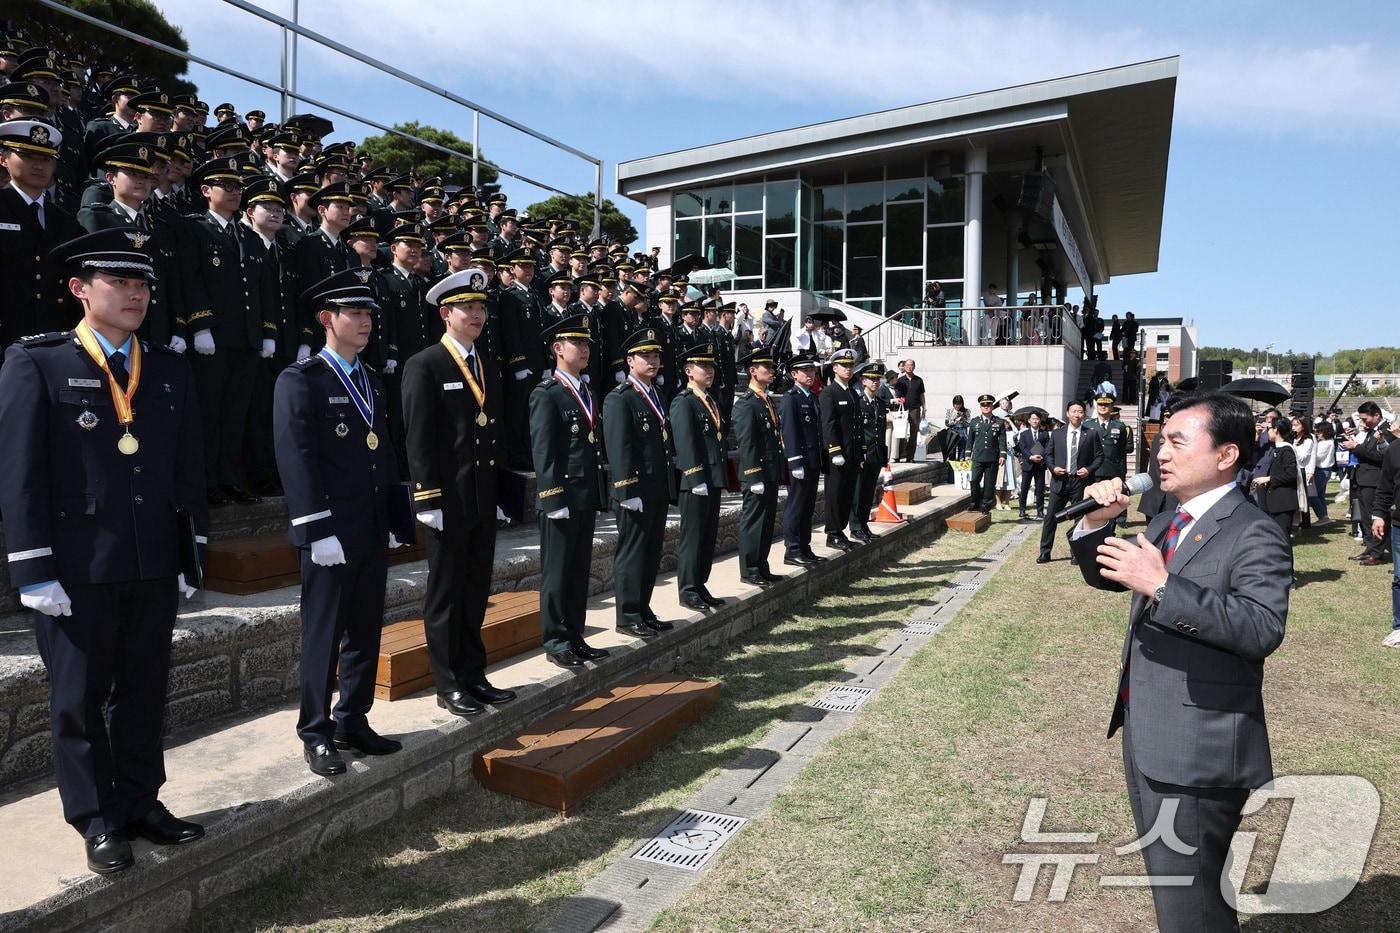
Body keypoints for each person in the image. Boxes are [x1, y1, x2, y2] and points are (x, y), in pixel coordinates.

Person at [0, 228, 208, 875]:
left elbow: (187, 467)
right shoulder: (37, 362)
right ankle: (96, 819)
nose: (134, 294)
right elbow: (20, 473)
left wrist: (190, 553)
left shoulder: (168, 367)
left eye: (141, 283)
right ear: (79, 289)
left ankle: (142, 801)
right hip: (75, 566)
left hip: (151, 559)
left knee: (145, 689)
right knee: (79, 698)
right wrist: (32, 568)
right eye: (118, 282)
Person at [1071, 392, 1290, 933]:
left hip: (1198, 748)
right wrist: (1096, 522)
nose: (1161, 454)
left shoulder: (1253, 530)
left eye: (1176, 442)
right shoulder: (1168, 520)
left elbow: (1261, 627)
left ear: (1226, 455)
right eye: (1160, 442)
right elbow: (1106, 572)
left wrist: (1163, 586)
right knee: (1180, 893)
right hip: (1152, 731)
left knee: (1191, 903)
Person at [273, 268, 409, 777]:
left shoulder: (370, 378)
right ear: (326, 319)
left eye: (369, 312)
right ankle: (316, 731)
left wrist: (393, 515)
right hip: (329, 530)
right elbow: (297, 457)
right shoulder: (301, 379)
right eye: (354, 312)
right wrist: (315, 529)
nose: (365, 321)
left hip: (369, 525)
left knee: (365, 630)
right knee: (323, 633)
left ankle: (353, 719)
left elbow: (384, 451)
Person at [400, 268, 515, 717]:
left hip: (481, 497)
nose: (477, 315)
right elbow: (419, 437)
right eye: (468, 307)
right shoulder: (425, 363)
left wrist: (499, 491)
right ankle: (448, 683)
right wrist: (427, 498)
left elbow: (492, 433)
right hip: (447, 500)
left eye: (481, 307)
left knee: (476, 588)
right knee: (446, 593)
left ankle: (473, 673)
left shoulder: (484, 363)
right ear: (445, 314)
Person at [529, 313, 609, 669]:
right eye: (577, 343)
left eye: (587, 343)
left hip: (584, 494)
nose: (585, 349)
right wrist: (552, 496)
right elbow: (544, 450)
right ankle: (556, 640)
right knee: (557, 573)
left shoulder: (586, 390)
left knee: (578, 570)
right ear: (558, 349)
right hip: (561, 497)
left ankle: (575, 635)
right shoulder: (547, 393)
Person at [602, 326, 677, 634]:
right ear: (630, 361)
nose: (653, 360)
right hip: (635, 489)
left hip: (656, 486)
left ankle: (643, 608)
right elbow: (619, 447)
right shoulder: (620, 398)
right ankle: (628, 615)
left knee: (651, 552)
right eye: (645, 355)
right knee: (633, 552)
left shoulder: (656, 394)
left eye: (656, 355)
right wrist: (626, 490)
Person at [0, 119, 84, 353]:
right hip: (7, 339)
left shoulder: (65, 220)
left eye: (47, 158)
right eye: (28, 156)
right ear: (3, 159)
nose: (39, 165)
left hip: (54, 340)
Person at [671, 340, 730, 613]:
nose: (709, 371)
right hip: (696, 481)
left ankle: (700, 584)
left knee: (707, 537)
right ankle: (688, 589)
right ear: (688, 371)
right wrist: (696, 478)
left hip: (712, 478)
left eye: (711, 367)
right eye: (703, 366)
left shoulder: (710, 400)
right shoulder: (684, 401)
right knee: (693, 538)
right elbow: (685, 442)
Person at [732, 347, 786, 586]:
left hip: (770, 471)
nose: (772, 371)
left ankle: (761, 566)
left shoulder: (765, 400)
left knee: (766, 522)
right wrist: (754, 476)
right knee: (754, 522)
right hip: (757, 473)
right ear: (753, 371)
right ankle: (750, 569)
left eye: (772, 367)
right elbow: (748, 443)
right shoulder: (746, 403)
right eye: (767, 367)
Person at [1037, 400, 1103, 563]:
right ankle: (1045, 552)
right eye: (1074, 411)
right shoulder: (1057, 433)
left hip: (1080, 482)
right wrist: (1053, 468)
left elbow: (1099, 457)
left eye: (1080, 411)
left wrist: (1088, 469)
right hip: (1060, 481)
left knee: (1079, 518)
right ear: (1067, 414)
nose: (1077, 414)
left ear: (1084, 414)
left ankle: (1076, 553)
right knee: (1050, 517)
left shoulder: (1091, 434)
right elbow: (1048, 454)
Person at [780, 352, 824, 567]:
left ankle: (805, 547)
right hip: (799, 461)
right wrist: (795, 461)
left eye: (812, 370)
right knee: (796, 506)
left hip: (812, 460)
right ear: (794, 374)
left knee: (808, 506)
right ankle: (793, 549)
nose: (810, 374)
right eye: (805, 371)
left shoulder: (812, 397)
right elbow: (789, 432)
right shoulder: (791, 398)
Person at [818, 347, 864, 551]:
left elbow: (857, 425)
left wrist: (860, 451)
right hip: (838, 453)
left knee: (847, 493)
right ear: (834, 368)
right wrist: (835, 451)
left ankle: (841, 531)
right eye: (844, 366)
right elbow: (828, 424)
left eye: (850, 365)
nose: (848, 369)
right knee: (835, 494)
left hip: (852, 452)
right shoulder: (829, 393)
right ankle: (833, 533)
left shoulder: (852, 392)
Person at [1344, 401, 1393, 566]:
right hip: (1363, 478)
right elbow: (1368, 450)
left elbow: (1382, 457)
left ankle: (1377, 553)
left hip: (1375, 480)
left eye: (1365, 419)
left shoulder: (1387, 430)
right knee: (1365, 517)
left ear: (1377, 415)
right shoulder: (1371, 430)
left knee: (1376, 517)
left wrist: (1356, 447)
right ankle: (1370, 549)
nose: (1363, 422)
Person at [850, 361, 889, 541]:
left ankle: (863, 524)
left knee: (868, 492)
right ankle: (855, 527)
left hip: (876, 453)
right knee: (857, 492)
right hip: (862, 454)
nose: (875, 382)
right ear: (863, 381)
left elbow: (881, 431)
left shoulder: (879, 403)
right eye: (871, 379)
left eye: (877, 379)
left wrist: (883, 454)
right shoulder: (857, 401)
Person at [1370, 431, 1400, 647]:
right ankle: (1399, 627)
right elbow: (1385, 485)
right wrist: (1379, 514)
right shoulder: (1395, 449)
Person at [1252, 417, 1300, 547]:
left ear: (1276, 430)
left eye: (1269, 429)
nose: (1267, 432)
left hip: (1283, 503)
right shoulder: (1278, 449)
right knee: (1277, 541)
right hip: (1277, 502)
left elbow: (1291, 474)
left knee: (1282, 540)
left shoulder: (1286, 449)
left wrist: (1268, 479)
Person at [966, 394, 1006, 513]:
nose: (986, 407)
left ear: (992, 406)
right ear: (980, 407)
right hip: (978, 457)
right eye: (983, 405)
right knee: (974, 480)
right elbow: (970, 440)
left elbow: (1002, 440)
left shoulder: (999, 422)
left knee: (989, 483)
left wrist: (1002, 455)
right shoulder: (974, 422)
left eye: (988, 404)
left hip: (992, 457)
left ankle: (986, 505)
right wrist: (967, 454)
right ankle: (974, 502)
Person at [1015, 411, 1049, 519]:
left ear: (1040, 421)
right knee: (1024, 488)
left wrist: (1041, 457)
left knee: (1040, 489)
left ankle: (1040, 511)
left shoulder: (1044, 433)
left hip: (1040, 464)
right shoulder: (1024, 434)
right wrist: (1030, 457)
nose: (1035, 421)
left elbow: (1048, 447)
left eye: (1037, 419)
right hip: (1028, 464)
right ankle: (1022, 510)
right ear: (1029, 421)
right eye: (1033, 419)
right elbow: (1022, 448)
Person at [896, 359, 925, 462]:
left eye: (911, 365)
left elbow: (922, 395)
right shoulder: (900, 380)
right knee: (901, 432)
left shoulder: (919, 380)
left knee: (913, 433)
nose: (909, 367)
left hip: (915, 409)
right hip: (902, 409)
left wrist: (924, 408)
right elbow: (896, 395)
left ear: (914, 367)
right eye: (907, 365)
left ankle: (910, 456)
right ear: (904, 367)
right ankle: (897, 455)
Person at [1310, 420, 1336, 525]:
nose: (1317, 434)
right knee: (1320, 495)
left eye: (1319, 432)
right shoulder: (1327, 442)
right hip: (1323, 471)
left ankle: (1322, 516)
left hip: (1321, 471)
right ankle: (1324, 516)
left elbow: (1317, 457)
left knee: (1312, 495)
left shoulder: (1326, 443)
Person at [943, 395, 969, 461]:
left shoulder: (966, 411)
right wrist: (955, 420)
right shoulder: (949, 411)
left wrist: (962, 417)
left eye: (959, 404)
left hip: (962, 431)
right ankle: (951, 466)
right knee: (951, 451)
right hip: (952, 431)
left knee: (962, 451)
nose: (957, 406)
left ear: (962, 404)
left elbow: (968, 424)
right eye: (955, 404)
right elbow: (947, 423)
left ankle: (961, 464)